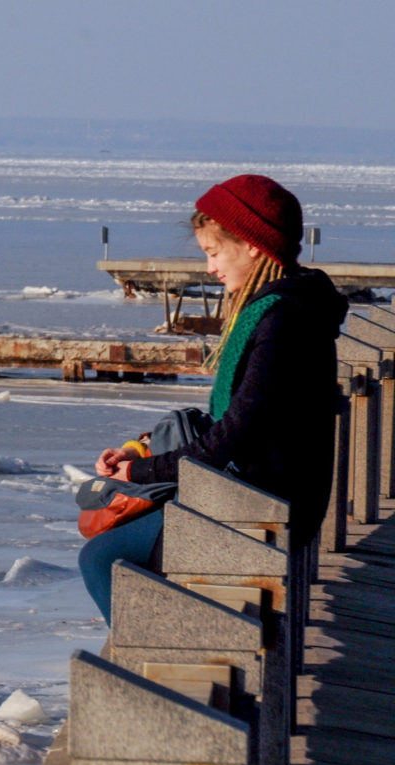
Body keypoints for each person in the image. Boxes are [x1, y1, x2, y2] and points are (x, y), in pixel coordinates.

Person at [79, 174, 349, 624]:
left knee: (103, 559)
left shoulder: (283, 321)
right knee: (120, 546)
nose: (209, 268)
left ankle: (159, 674)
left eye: (213, 252)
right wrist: (143, 450)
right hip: (260, 493)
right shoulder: (289, 307)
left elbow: (237, 434)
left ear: (253, 245)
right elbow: (241, 420)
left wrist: (140, 471)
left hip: (262, 505)